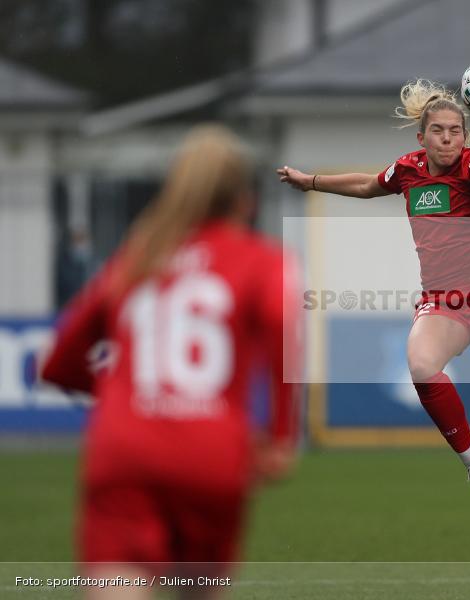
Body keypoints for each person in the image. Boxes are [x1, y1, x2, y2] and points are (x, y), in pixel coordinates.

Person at [277, 79, 470, 569]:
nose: (448, 139)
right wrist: (312, 181)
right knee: (421, 364)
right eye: (439, 131)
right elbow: (367, 184)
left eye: (456, 131)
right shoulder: (407, 171)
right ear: (422, 138)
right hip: (443, 300)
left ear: (465, 136)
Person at [41, 124, 302, 598]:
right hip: (211, 452)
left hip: (123, 449)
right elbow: (286, 342)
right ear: (245, 200)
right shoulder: (263, 261)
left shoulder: (137, 257)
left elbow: (58, 362)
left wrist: (128, 399)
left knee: (117, 582)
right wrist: (282, 437)